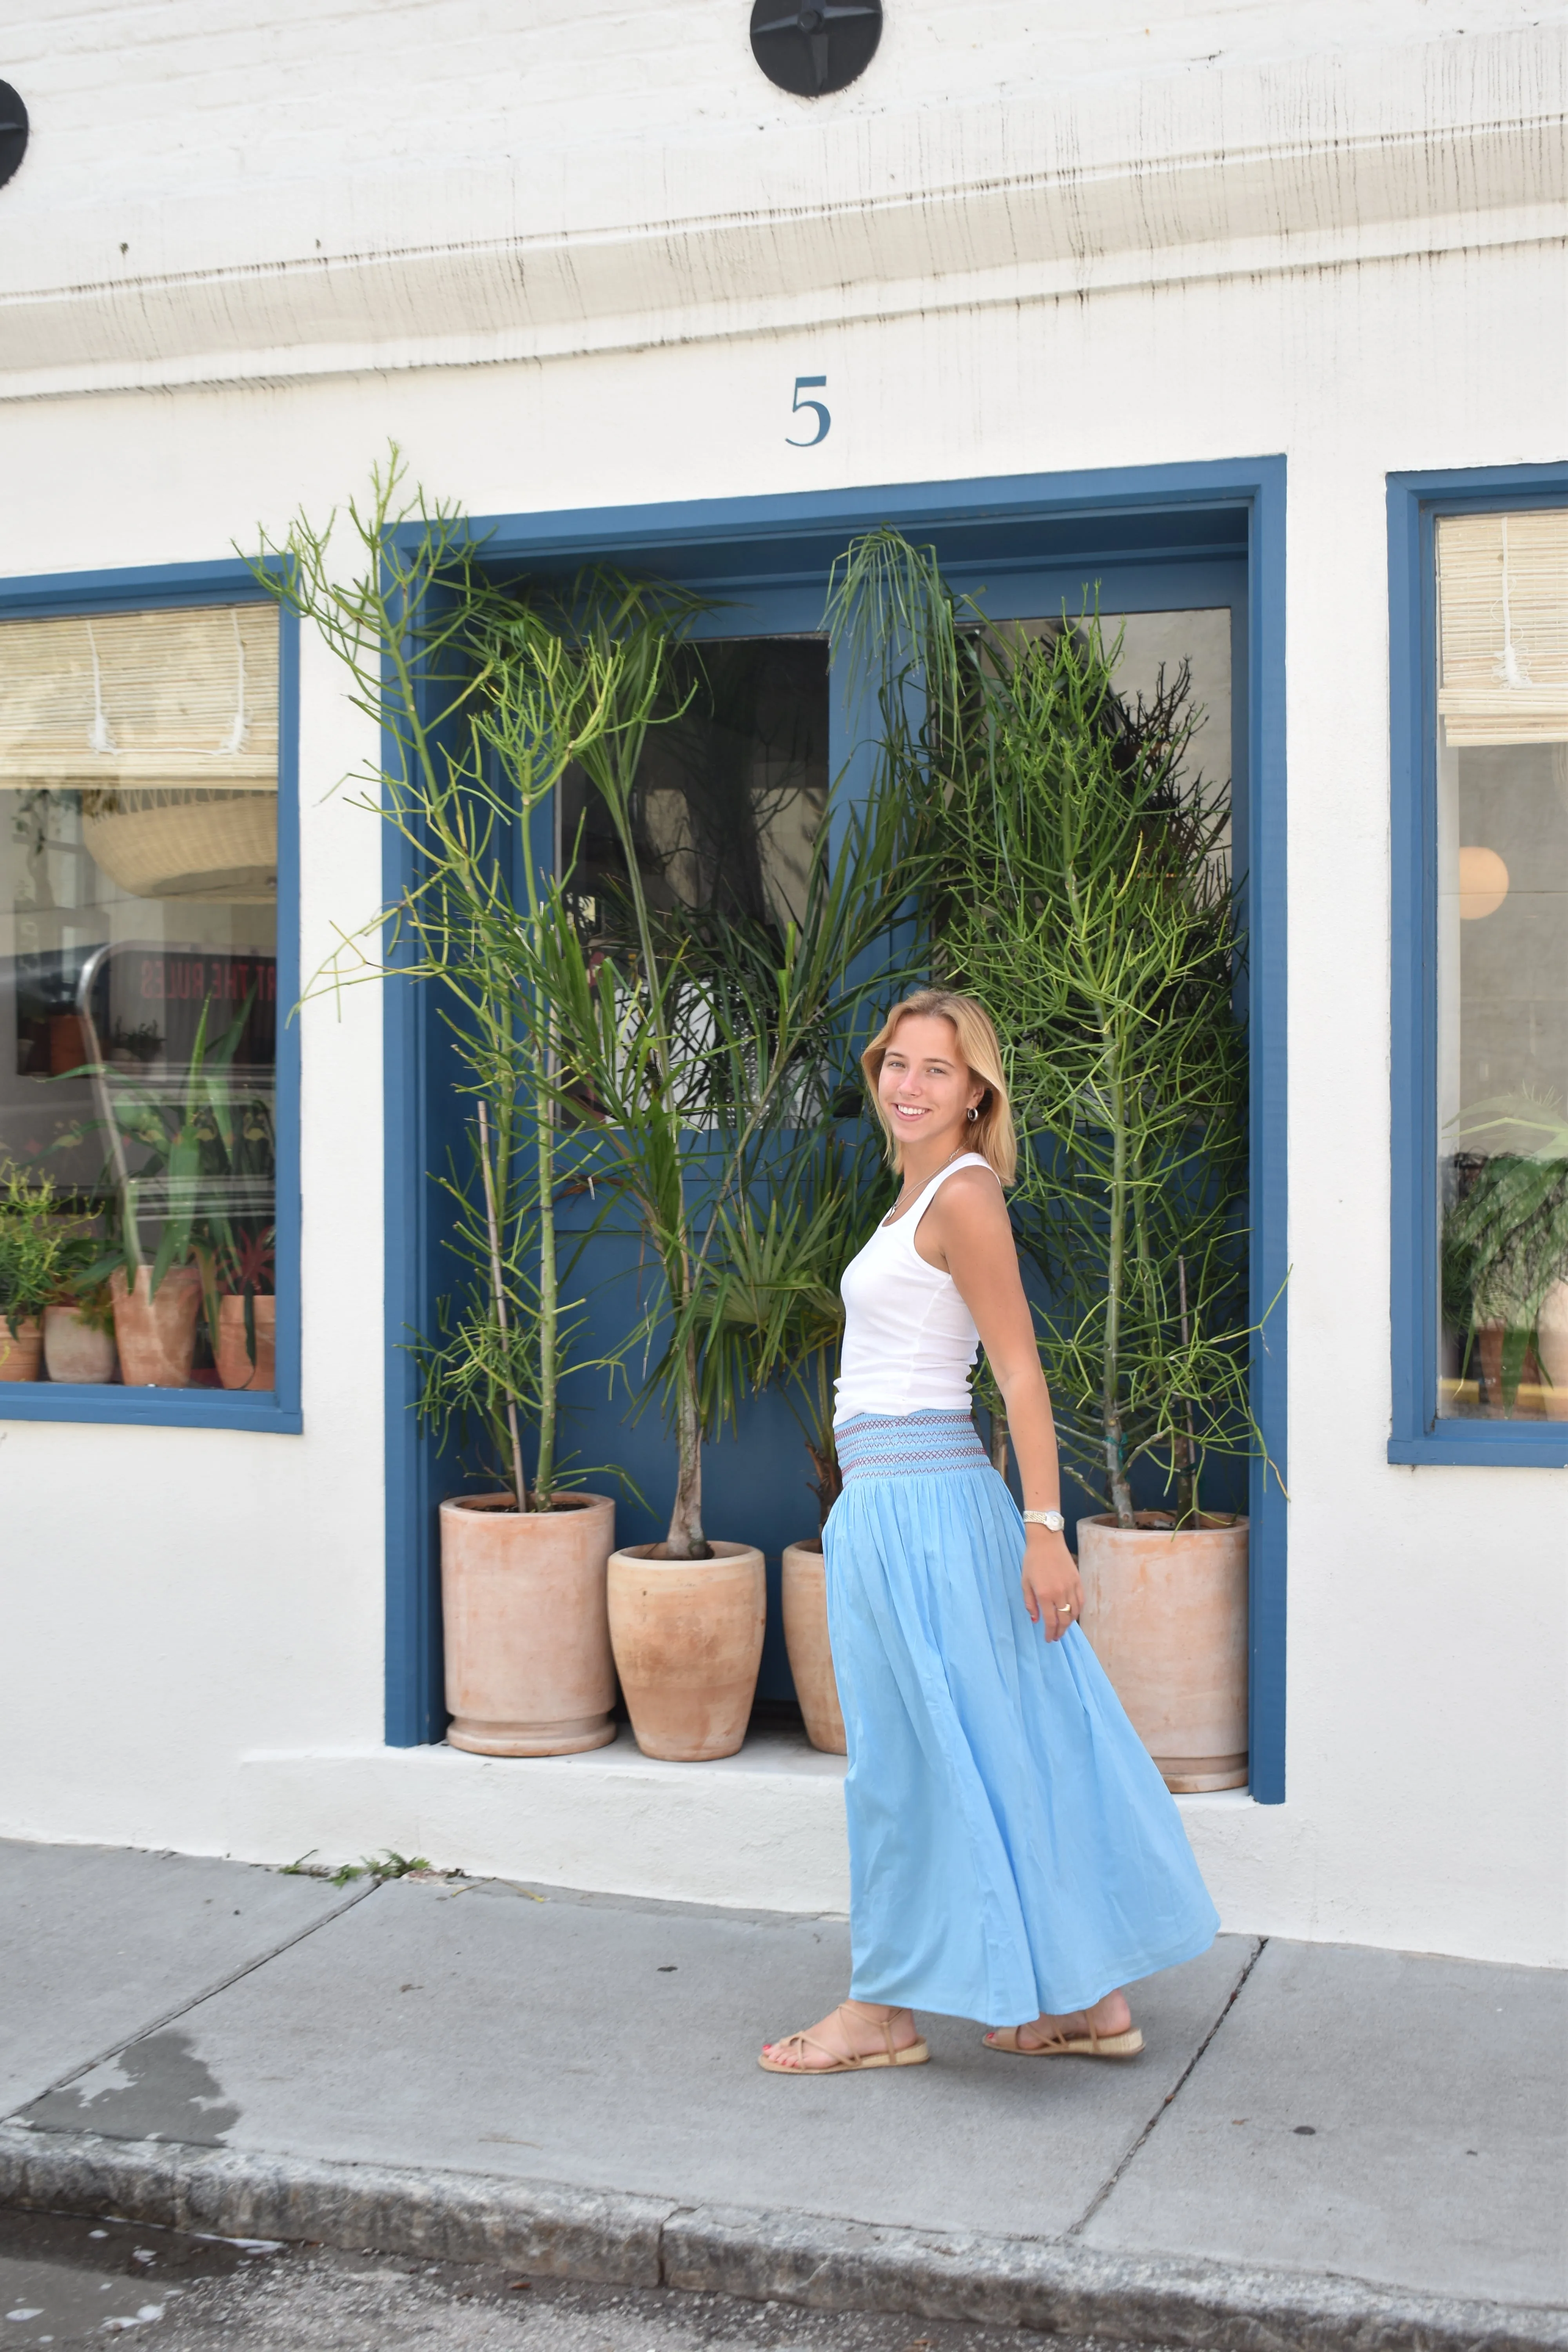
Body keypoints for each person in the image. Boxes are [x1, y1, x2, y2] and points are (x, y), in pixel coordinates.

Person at [760, 989, 1220, 2075]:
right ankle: (1087, 2006)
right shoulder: (914, 1195)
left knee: (907, 1765)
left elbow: (1019, 1372)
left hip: (926, 1506)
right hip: (892, 1505)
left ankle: (883, 2013)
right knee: (979, 1749)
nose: (910, 1085)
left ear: (978, 1095)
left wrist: (1047, 1530)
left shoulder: (965, 1196)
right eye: (898, 1063)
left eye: (938, 1069)